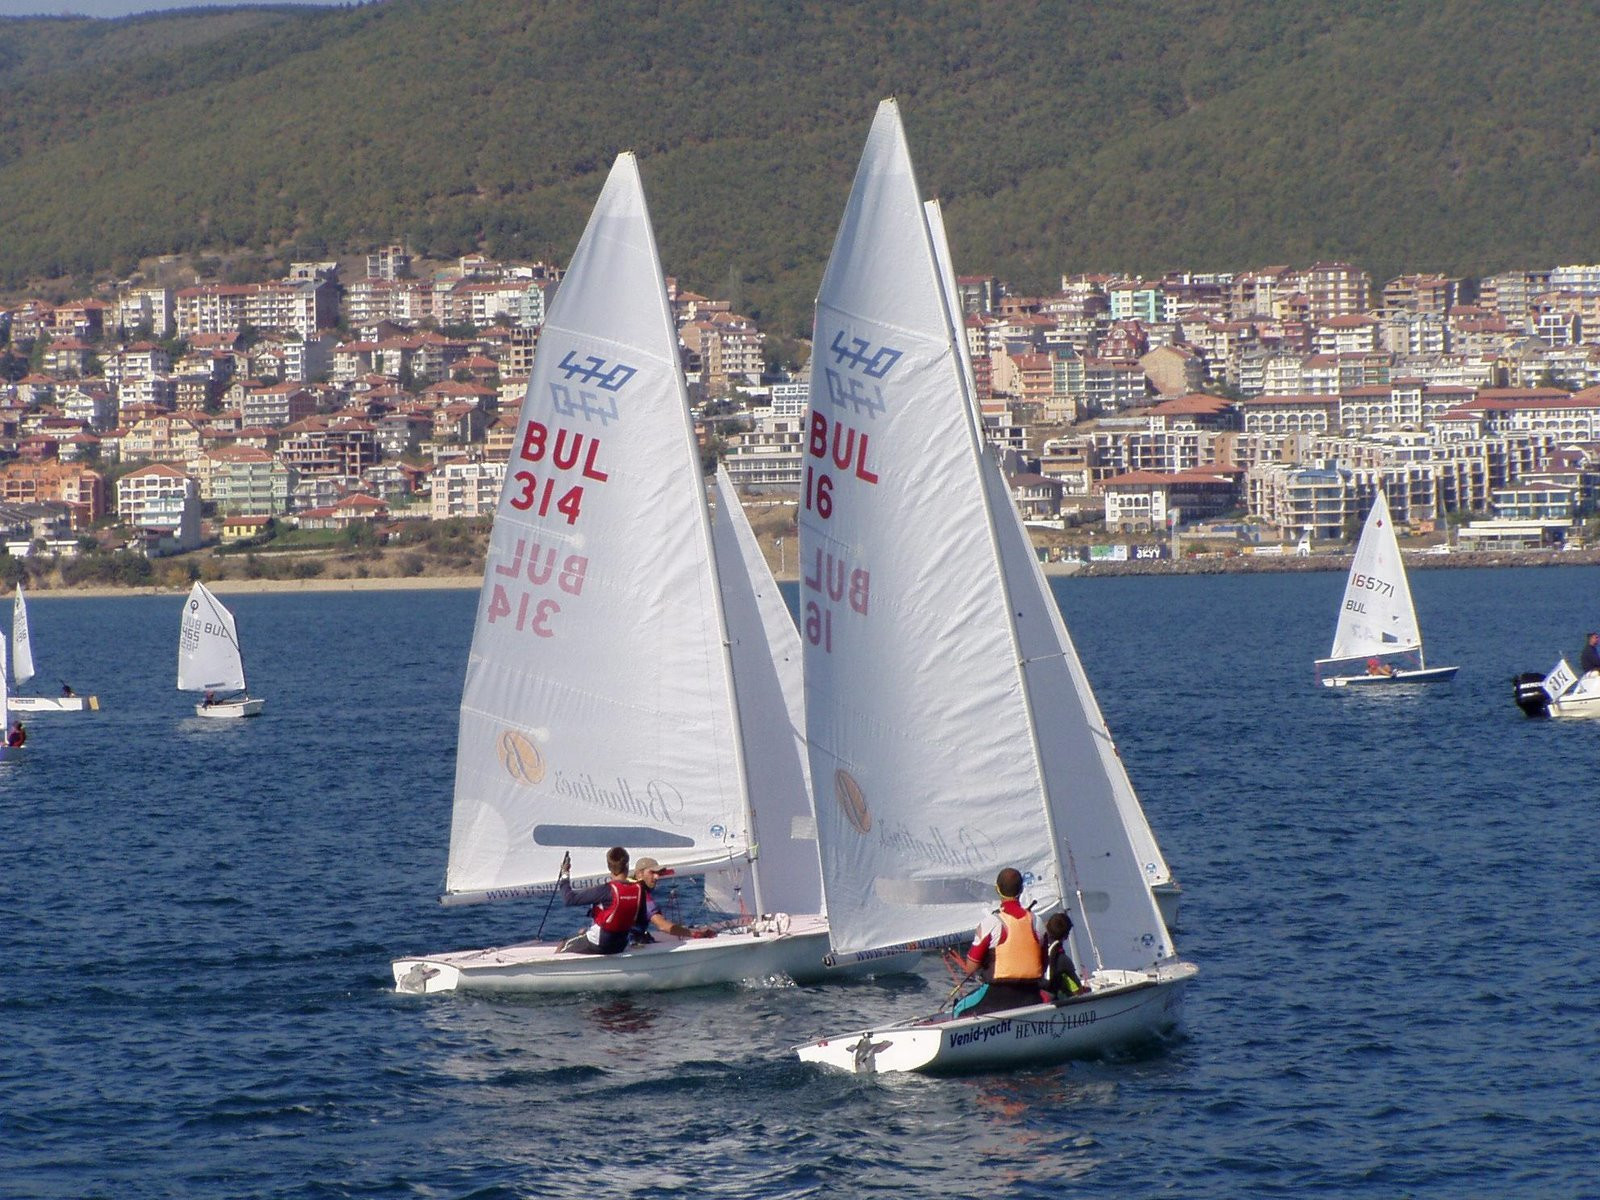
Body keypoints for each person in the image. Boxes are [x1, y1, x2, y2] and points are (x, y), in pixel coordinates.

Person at [953, 867, 1048, 1017]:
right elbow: (1043, 964)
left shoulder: (991, 922)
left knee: (958, 1008)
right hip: (1031, 996)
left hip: (996, 997)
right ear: (1021, 889)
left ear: (997, 889)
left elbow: (970, 968)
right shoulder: (1037, 922)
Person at [555, 846, 645, 954]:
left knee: (563, 944)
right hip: (621, 944)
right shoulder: (639, 890)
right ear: (627, 865)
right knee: (584, 932)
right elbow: (640, 921)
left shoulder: (605, 890)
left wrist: (565, 873)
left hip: (599, 943)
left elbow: (569, 899)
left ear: (609, 867)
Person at [631, 857, 716, 942]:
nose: (657, 877)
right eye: (652, 872)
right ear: (639, 874)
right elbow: (663, 926)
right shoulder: (641, 894)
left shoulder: (629, 888)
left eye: (658, 873)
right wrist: (695, 933)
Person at [1038, 911, 1086, 1003]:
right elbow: (1078, 991)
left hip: (1033, 994)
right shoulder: (1062, 960)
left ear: (1046, 926)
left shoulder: (1035, 947)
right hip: (1051, 1000)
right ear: (1066, 936)